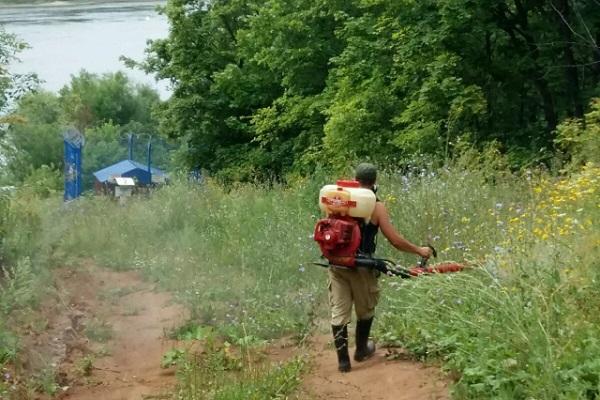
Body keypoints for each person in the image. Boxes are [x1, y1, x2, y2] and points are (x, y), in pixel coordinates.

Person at [329, 162, 433, 372]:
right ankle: (361, 350)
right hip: (362, 267)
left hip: (336, 263)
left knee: (339, 312)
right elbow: (394, 240)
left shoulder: (339, 199)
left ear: (355, 179)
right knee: (365, 310)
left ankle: (343, 362)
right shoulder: (376, 206)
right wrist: (420, 251)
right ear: (375, 181)